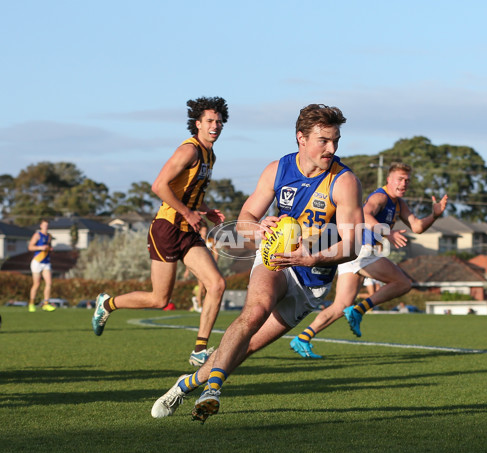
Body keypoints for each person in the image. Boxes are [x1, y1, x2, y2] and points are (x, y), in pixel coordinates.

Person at [150, 103, 364, 422]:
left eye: (335, 140)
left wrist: (312, 255)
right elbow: (245, 220)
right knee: (254, 312)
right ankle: (213, 391)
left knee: (245, 347)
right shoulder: (277, 169)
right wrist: (258, 226)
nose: (331, 148)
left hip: (312, 282)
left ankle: (186, 386)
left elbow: (353, 243)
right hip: (275, 259)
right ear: (301, 138)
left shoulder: (344, 181)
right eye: (324, 140)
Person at [91, 97, 228, 366]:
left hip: (187, 230)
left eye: (219, 121)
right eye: (210, 121)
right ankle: (107, 304)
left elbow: (188, 192)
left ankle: (199, 350)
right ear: (198, 124)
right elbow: (159, 186)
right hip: (165, 228)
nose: (215, 125)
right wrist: (188, 212)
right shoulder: (188, 150)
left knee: (217, 284)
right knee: (159, 299)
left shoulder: (210, 155)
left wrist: (206, 210)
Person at [290, 162, 447, 358]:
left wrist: (434, 215)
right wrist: (387, 233)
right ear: (389, 180)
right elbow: (364, 214)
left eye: (407, 180)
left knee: (340, 306)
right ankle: (360, 309)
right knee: (403, 283)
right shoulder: (380, 197)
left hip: (355, 254)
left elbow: (416, 227)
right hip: (362, 250)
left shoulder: (399, 203)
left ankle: (303, 338)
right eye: (400, 179)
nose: (404, 184)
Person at [28, 219, 56, 312]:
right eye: (44, 225)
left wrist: (50, 248)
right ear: (41, 226)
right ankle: (31, 303)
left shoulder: (49, 236)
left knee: (49, 283)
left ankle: (46, 304)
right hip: (37, 262)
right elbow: (30, 247)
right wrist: (40, 247)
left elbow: (48, 246)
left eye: (47, 225)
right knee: (37, 284)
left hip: (46, 262)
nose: (46, 227)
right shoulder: (37, 235)